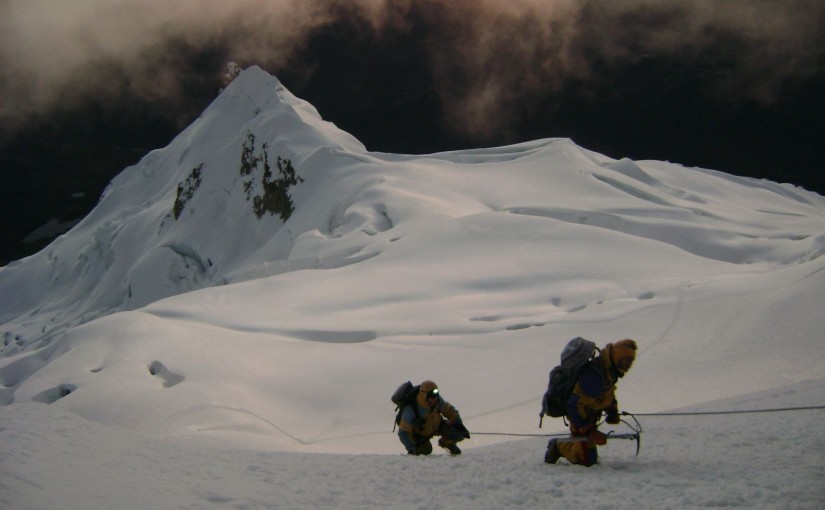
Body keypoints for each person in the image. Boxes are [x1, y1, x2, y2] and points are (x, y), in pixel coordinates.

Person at [545, 339, 637, 466]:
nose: (628, 364)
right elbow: (573, 404)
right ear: (616, 357)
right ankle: (558, 446)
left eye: (630, 360)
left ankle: (574, 445)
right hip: (580, 415)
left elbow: (607, 392)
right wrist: (589, 431)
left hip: (589, 414)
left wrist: (612, 410)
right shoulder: (595, 376)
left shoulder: (609, 370)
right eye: (625, 360)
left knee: (587, 454)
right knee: (586, 460)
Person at [397, 380, 470, 455]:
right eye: (432, 397)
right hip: (421, 435)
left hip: (437, 426)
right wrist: (412, 448)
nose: (435, 399)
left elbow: (449, 411)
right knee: (426, 450)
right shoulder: (410, 410)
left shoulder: (437, 400)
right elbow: (403, 432)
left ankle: (447, 443)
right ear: (425, 396)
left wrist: (458, 423)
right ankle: (419, 450)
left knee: (460, 433)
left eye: (436, 396)